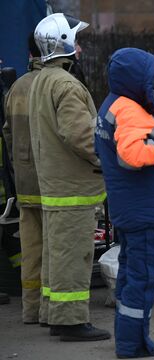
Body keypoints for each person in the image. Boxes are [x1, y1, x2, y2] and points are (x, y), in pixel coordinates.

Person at [28, 13, 110, 341]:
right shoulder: (66, 84)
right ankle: (72, 322)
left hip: (54, 184)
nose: (80, 46)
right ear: (62, 42)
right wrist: (110, 159)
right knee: (72, 256)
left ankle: (55, 314)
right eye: (75, 40)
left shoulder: (42, 80)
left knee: (56, 254)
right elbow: (81, 136)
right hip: (72, 188)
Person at [95, 47, 154, 358]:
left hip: (132, 207)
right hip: (144, 209)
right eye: (148, 76)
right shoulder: (129, 110)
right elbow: (131, 156)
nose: (152, 82)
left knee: (133, 275)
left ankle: (135, 339)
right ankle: (131, 344)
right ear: (135, 79)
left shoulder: (113, 104)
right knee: (144, 278)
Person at [2, 35, 44, 324]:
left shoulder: (16, 87)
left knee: (30, 250)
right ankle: (52, 311)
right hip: (51, 184)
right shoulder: (54, 84)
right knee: (55, 251)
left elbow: (8, 134)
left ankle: (31, 309)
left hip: (24, 182)